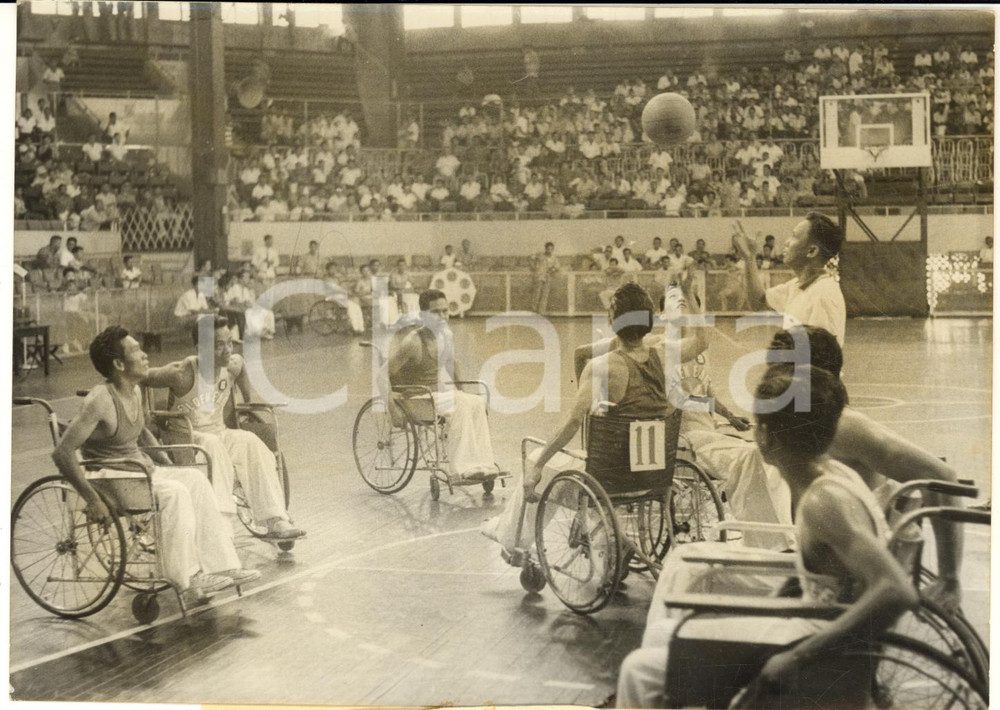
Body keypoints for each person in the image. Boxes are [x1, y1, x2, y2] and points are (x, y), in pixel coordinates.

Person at [616, 364, 919, 708]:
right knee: (659, 634)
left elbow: (896, 590)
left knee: (638, 670)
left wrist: (798, 656)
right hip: (818, 627)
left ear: (768, 437)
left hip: (814, 644)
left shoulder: (824, 502)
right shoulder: (833, 476)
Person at [483, 282, 707, 557]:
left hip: (611, 478)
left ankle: (511, 540)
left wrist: (538, 467)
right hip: (654, 474)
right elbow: (701, 342)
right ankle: (610, 537)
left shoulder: (602, 367)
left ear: (613, 321)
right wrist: (690, 298)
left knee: (537, 459)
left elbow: (573, 422)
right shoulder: (663, 354)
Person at [51, 327, 260, 603]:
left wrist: (169, 462)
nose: (145, 355)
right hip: (110, 476)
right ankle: (186, 578)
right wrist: (92, 500)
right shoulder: (100, 400)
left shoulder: (134, 390)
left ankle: (222, 565)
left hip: (137, 471)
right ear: (118, 364)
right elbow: (63, 452)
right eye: (137, 351)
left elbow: (140, 433)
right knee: (175, 493)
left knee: (195, 480)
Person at [142, 319, 305, 541]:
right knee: (213, 446)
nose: (228, 350)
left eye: (230, 343)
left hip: (219, 433)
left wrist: (246, 403)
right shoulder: (181, 373)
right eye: (219, 345)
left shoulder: (233, 365)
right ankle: (219, 528)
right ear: (201, 348)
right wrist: (144, 413)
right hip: (187, 439)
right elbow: (141, 376)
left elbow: (242, 367)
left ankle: (275, 520)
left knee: (251, 442)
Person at [384, 289, 500, 481]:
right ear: (423, 316)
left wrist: (464, 392)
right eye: (436, 312)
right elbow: (382, 375)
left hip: (434, 398)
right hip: (415, 400)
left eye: (445, 311)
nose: (442, 316)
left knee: (477, 403)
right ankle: (462, 468)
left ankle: (484, 464)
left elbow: (452, 364)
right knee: (461, 403)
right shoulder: (412, 342)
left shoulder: (445, 335)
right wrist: (392, 409)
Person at [732, 213, 847, 345]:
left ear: (811, 251)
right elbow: (759, 303)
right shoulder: (796, 285)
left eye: (794, 236)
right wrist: (749, 258)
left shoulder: (824, 295)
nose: (787, 242)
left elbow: (822, 358)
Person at [224, 269, 276, 340]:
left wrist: (249, 304)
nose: (248, 279)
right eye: (246, 277)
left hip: (246, 308)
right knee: (250, 313)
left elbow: (249, 302)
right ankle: (257, 332)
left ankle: (266, 331)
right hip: (238, 310)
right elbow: (233, 302)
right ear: (240, 279)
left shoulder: (246, 290)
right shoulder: (235, 287)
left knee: (268, 312)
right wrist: (244, 303)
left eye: (248, 277)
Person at [531, 242, 561, 314]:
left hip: (548, 277)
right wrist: (534, 268)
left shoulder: (554, 257)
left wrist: (552, 269)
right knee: (536, 294)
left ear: (553, 249)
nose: (549, 250)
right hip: (539, 276)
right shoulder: (540, 255)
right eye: (548, 249)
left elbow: (557, 266)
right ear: (546, 249)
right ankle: (533, 311)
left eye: (551, 249)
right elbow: (530, 259)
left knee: (545, 295)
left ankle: (541, 312)